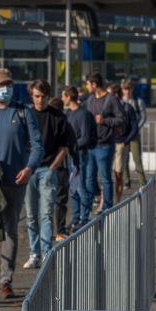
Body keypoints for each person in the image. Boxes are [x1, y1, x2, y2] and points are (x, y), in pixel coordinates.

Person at [0, 68, 42, 299]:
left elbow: (37, 145)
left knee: (10, 230)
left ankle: (6, 281)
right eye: (1, 85)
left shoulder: (23, 112)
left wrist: (29, 168)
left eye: (9, 85)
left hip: (15, 180)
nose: (5, 89)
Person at [24, 80, 74, 265]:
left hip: (47, 169)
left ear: (48, 96)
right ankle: (34, 253)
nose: (40, 100)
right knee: (31, 215)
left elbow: (64, 147)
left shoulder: (58, 117)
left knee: (46, 214)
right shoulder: (25, 115)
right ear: (32, 96)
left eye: (43, 96)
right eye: (36, 96)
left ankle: (46, 253)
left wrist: (53, 167)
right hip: (29, 169)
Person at [82, 73, 124, 213]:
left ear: (94, 84)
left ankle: (107, 208)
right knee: (89, 178)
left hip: (105, 145)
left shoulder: (111, 99)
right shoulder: (90, 99)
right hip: (91, 145)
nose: (86, 86)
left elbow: (121, 119)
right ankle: (87, 209)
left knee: (105, 178)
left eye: (88, 84)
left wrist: (104, 120)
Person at [63, 85, 96, 231]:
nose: (62, 99)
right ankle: (76, 218)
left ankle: (84, 218)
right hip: (71, 155)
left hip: (80, 155)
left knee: (81, 188)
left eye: (63, 96)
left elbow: (85, 137)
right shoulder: (69, 113)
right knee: (73, 189)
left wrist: (71, 145)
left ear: (69, 97)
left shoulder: (83, 114)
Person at [48, 96, 74, 239]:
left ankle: (49, 232)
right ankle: (60, 230)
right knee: (60, 200)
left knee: (48, 201)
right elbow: (73, 145)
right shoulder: (65, 124)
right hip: (61, 167)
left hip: (47, 166)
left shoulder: (47, 123)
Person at [120, 79, 148, 191]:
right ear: (122, 89)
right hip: (124, 135)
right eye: (125, 89)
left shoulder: (138, 101)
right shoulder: (119, 102)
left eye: (129, 89)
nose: (127, 91)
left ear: (132, 89)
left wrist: (136, 129)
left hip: (134, 135)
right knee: (124, 159)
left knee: (137, 159)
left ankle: (142, 182)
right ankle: (126, 181)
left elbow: (143, 117)